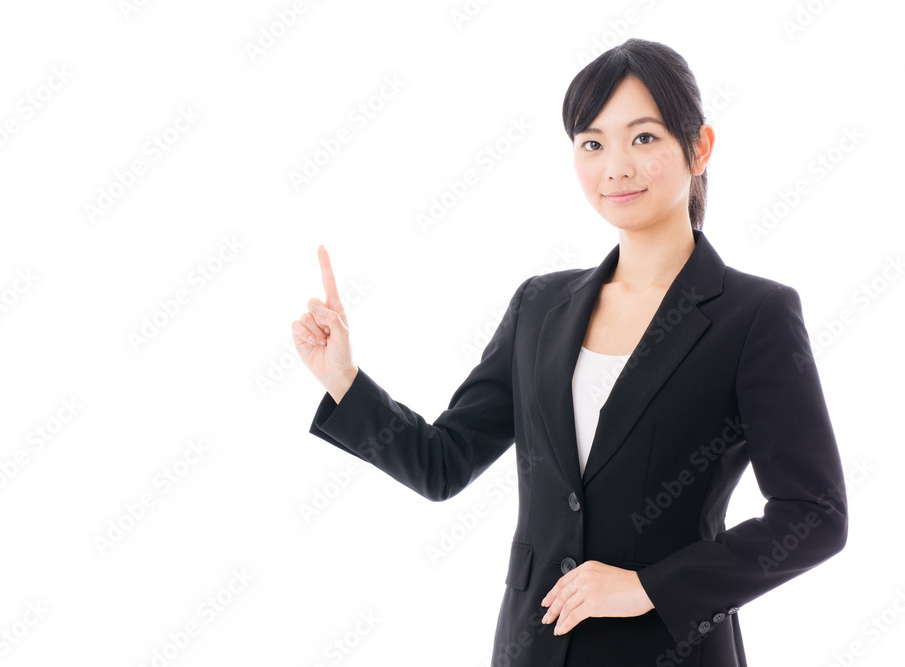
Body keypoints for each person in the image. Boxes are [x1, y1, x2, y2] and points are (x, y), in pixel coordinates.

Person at [291, 38, 848, 666]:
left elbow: (815, 515)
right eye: (592, 143)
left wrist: (647, 587)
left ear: (700, 148)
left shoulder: (754, 315)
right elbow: (442, 464)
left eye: (643, 138)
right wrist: (344, 379)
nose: (615, 167)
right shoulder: (540, 307)